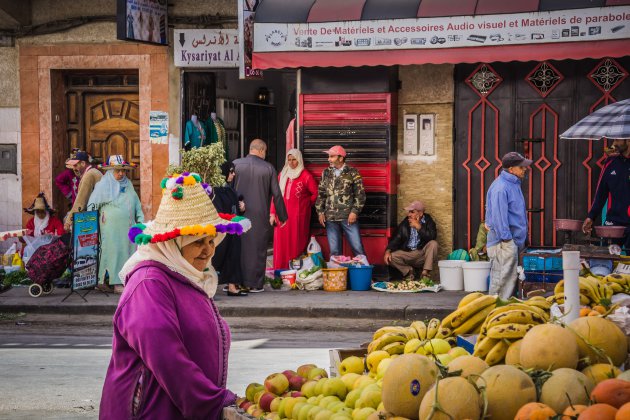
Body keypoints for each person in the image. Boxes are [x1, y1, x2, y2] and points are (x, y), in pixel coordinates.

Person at [100, 171, 251, 419]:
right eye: (198, 241)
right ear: (174, 243)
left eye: (211, 240)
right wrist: (215, 401)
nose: (208, 250)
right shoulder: (149, 283)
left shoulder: (183, 275)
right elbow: (168, 359)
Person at [233, 139, 288, 292]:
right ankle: (255, 284)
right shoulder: (268, 168)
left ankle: (236, 282)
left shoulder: (236, 164)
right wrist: (282, 216)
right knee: (257, 250)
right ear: (262, 150)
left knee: (239, 248)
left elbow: (227, 188)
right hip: (259, 215)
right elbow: (277, 195)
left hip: (237, 215)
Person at [88, 155, 144, 293]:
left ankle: (126, 279)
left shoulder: (128, 184)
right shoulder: (103, 185)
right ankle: (113, 282)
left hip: (128, 227)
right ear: (110, 171)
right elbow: (92, 205)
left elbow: (136, 202)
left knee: (128, 251)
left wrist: (140, 219)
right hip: (110, 228)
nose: (121, 173)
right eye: (117, 171)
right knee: (113, 251)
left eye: (123, 170)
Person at [485, 152, 532, 299]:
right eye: (521, 166)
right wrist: (507, 241)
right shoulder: (501, 187)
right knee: (500, 288)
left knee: (508, 286)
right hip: (503, 244)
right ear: (511, 169)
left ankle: (503, 314)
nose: (525, 168)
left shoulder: (513, 184)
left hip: (512, 243)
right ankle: (495, 317)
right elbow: (499, 219)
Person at [315, 145, 366, 257]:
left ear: (341, 158)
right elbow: (321, 194)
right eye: (329, 156)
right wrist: (320, 212)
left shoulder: (352, 172)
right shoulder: (326, 173)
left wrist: (354, 212)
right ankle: (338, 274)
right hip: (330, 218)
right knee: (334, 252)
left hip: (348, 217)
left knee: (358, 249)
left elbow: (360, 194)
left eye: (332, 156)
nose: (329, 159)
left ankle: (364, 273)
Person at [271, 149, 318, 269]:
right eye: (289, 160)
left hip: (298, 217)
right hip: (281, 216)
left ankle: (293, 271)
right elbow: (275, 196)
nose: (291, 163)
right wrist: (272, 213)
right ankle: (280, 270)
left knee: (295, 242)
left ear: (299, 160)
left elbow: (315, 193)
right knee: (281, 244)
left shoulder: (305, 176)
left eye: (294, 160)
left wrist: (305, 204)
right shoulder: (282, 174)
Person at [582, 139, 630, 250]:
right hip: (613, 222)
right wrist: (591, 217)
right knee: (605, 259)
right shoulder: (610, 162)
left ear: (628, 140)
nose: (614, 144)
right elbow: (601, 192)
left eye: (617, 140)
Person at [212, 161, 248, 296]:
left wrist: (242, 207)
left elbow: (236, 207)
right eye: (231, 171)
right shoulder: (215, 190)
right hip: (222, 230)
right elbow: (218, 210)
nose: (233, 174)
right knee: (218, 258)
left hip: (233, 229)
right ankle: (212, 289)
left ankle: (232, 286)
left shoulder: (229, 188)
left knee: (233, 257)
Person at [384, 200, 438, 280]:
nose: (409, 214)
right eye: (409, 212)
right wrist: (388, 251)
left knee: (433, 243)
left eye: (412, 212)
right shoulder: (405, 223)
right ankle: (409, 271)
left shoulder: (428, 221)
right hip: (408, 253)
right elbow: (396, 238)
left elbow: (432, 237)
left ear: (420, 213)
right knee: (391, 257)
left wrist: (419, 227)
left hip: (422, 254)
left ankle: (425, 274)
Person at [64, 150, 103, 231]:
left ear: (83, 163)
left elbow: (80, 202)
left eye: (75, 165)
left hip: (99, 216)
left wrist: (68, 221)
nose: (74, 168)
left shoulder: (89, 175)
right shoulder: (93, 172)